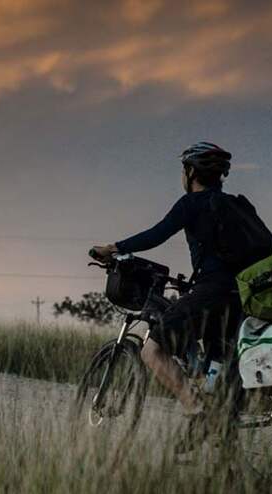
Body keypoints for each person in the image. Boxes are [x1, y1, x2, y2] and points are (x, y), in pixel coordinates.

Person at [90, 142, 244, 445]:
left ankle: (196, 410)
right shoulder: (236, 205)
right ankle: (221, 433)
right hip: (241, 294)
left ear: (190, 172)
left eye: (184, 170)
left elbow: (157, 234)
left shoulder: (192, 203)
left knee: (152, 350)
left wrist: (113, 248)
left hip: (212, 290)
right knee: (217, 363)